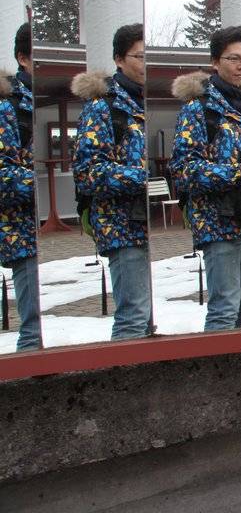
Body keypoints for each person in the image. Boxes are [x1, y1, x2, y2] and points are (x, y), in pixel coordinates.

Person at [169, 26, 241, 331]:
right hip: (216, 220)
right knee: (225, 306)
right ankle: (219, 357)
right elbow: (183, 168)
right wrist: (235, 173)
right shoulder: (199, 108)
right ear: (215, 63)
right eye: (233, 58)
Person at [72, 23, 152, 340]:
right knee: (133, 316)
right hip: (119, 224)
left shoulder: (140, 103)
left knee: (144, 318)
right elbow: (87, 171)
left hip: (143, 221)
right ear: (119, 59)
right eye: (140, 56)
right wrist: (140, 177)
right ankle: (124, 370)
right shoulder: (103, 106)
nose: (147, 64)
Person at [0, 23, 39, 349]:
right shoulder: (8, 105)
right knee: (33, 328)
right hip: (21, 227)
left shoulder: (38, 98)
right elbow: (3, 173)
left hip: (35, 225)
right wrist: (38, 185)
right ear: (22, 58)